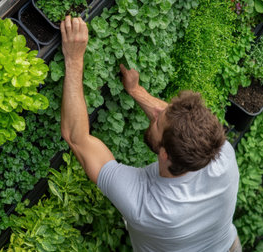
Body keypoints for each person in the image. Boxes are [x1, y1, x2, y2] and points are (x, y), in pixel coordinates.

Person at [60, 16, 241, 252]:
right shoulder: (221, 152)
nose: (156, 111)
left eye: (157, 122)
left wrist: (74, 59)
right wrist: (136, 91)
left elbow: (77, 137)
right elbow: (172, 118)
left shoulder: (148, 207)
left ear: (165, 154)